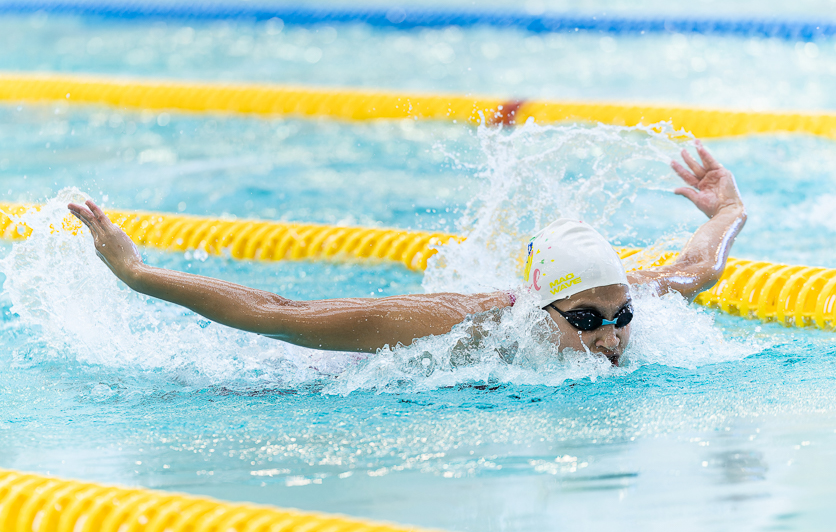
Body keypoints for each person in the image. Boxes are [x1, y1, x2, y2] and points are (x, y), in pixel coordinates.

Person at [68, 140, 746, 366]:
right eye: (589, 321)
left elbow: (696, 270)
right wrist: (137, 273)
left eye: (620, 315)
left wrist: (729, 211)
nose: (612, 337)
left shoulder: (620, 299)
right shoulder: (463, 324)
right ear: (542, 308)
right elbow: (280, 312)